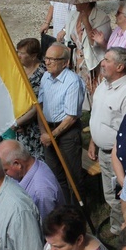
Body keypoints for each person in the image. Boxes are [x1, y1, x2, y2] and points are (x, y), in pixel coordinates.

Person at [88, 48, 126, 232]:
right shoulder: (103, 85)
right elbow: (97, 116)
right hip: (102, 151)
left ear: (120, 66)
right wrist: (93, 141)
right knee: (110, 194)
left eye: (107, 60)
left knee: (119, 195)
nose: (102, 63)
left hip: (117, 156)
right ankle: (118, 226)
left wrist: (115, 153)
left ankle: (124, 230)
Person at [37, 42, 86, 202]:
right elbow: (40, 106)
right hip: (48, 130)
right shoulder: (45, 77)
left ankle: (78, 211)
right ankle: (63, 207)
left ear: (65, 62)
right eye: (46, 58)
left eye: (53, 59)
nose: (47, 62)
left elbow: (71, 116)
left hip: (66, 132)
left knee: (73, 175)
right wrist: (44, 132)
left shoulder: (72, 81)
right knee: (55, 174)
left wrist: (52, 135)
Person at [0, 139, 64, 223]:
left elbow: (46, 228)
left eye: (5, 170)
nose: (5, 174)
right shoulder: (34, 164)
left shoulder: (41, 191)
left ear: (17, 164)